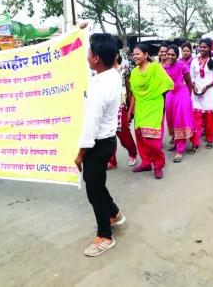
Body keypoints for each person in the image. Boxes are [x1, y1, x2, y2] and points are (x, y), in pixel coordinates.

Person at [74, 33, 125, 257]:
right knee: (98, 183)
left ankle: (105, 235)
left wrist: (80, 154)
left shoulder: (100, 86)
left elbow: (91, 126)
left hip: (97, 144)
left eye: (89, 51)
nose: (86, 55)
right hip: (107, 142)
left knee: (94, 190)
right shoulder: (112, 74)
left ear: (96, 58)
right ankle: (114, 213)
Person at [128, 44, 173, 179]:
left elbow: (167, 83)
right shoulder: (134, 72)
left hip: (154, 104)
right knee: (140, 136)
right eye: (133, 54)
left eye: (138, 54)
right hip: (141, 106)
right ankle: (146, 162)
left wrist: (155, 96)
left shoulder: (155, 68)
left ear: (146, 54)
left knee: (151, 138)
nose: (135, 56)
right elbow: (134, 93)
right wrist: (131, 110)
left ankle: (158, 164)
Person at [189, 38, 213, 150]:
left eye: (204, 47)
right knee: (195, 118)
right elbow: (192, 76)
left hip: (209, 92)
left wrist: (207, 86)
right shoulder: (194, 61)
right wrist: (193, 86)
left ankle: (210, 139)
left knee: (210, 118)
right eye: (200, 46)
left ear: (209, 48)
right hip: (196, 92)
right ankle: (195, 142)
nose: (202, 49)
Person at [163, 45, 194, 162]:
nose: (170, 57)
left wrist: (188, 96)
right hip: (170, 95)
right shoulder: (164, 68)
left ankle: (180, 150)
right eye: (168, 54)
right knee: (171, 120)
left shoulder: (183, 66)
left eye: (173, 55)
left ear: (177, 55)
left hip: (182, 95)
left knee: (180, 120)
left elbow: (189, 82)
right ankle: (176, 143)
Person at [107, 54, 138, 169]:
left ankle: (132, 152)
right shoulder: (104, 71)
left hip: (121, 106)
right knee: (108, 135)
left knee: (123, 134)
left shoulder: (124, 69)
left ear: (116, 55)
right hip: (107, 108)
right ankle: (112, 161)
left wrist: (130, 111)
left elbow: (130, 91)